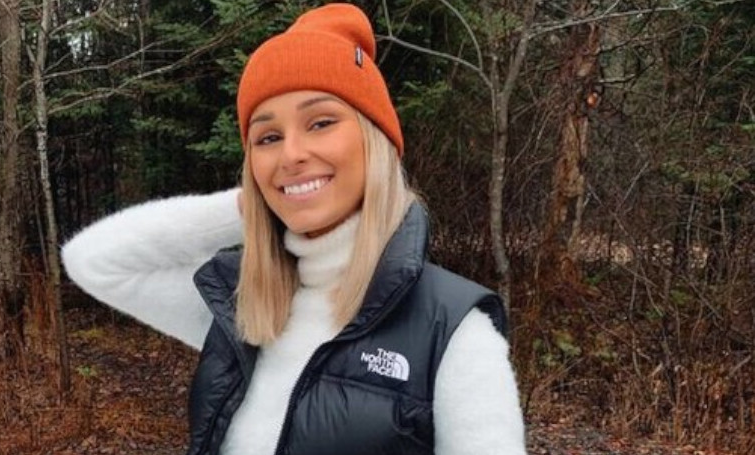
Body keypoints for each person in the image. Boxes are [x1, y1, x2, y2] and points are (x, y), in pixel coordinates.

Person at [62, 3, 526, 455]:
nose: (290, 155)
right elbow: (94, 261)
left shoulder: (455, 332)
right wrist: (247, 207)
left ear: (374, 141)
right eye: (268, 137)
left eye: (320, 122)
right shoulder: (243, 307)